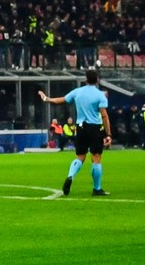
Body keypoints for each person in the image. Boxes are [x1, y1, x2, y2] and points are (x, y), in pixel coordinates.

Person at [39, 69, 112, 197]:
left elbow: (60, 100)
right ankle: (97, 188)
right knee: (96, 157)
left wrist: (46, 98)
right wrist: (108, 134)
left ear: (85, 79)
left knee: (80, 156)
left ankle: (70, 176)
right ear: (97, 80)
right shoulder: (100, 95)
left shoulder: (77, 92)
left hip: (80, 127)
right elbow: (104, 115)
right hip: (94, 127)